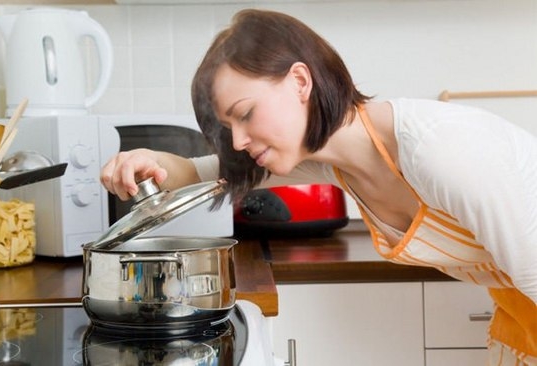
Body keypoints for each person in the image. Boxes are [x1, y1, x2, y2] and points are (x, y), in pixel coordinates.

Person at [101, 8, 537, 365]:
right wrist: (149, 162)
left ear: (300, 81)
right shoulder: (335, 162)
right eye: (228, 125)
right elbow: (202, 171)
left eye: (246, 113)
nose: (237, 140)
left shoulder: (439, 152)